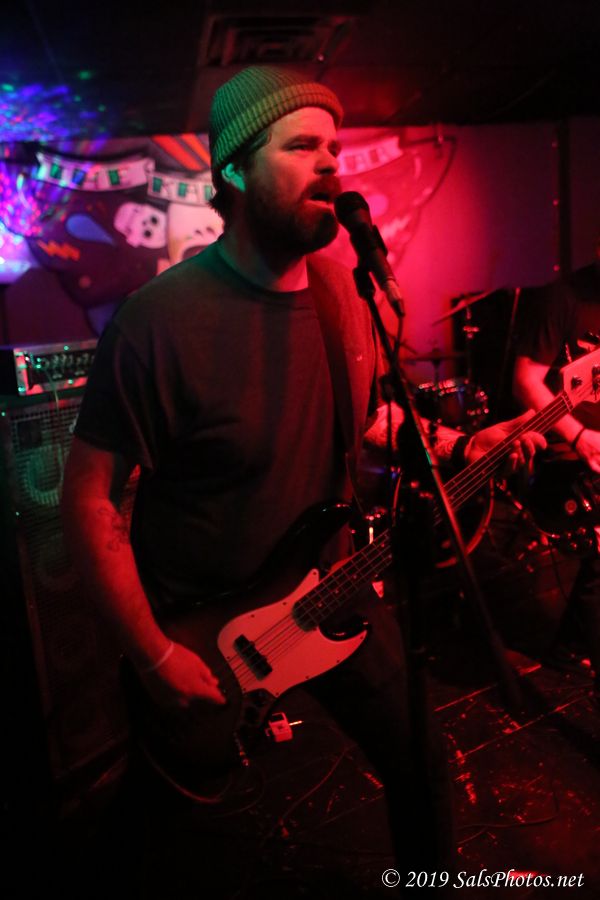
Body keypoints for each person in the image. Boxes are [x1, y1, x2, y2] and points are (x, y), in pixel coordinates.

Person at [61, 65, 545, 889]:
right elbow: (90, 501)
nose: (330, 163)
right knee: (169, 818)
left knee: (421, 759)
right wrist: (152, 654)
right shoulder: (157, 323)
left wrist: (465, 446)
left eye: (333, 147)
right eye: (300, 146)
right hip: (203, 633)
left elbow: (368, 420)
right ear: (235, 170)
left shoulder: (339, 297)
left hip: (329, 587)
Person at [513, 250, 600, 699]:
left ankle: (571, 642)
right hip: (567, 446)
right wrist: (579, 435)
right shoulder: (562, 297)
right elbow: (526, 380)